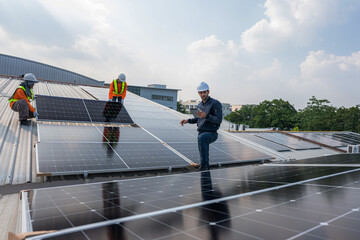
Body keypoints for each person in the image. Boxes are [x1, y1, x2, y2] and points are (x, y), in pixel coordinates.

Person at [180, 82, 222, 171]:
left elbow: (218, 120)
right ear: (198, 93)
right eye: (200, 92)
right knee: (201, 138)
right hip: (201, 132)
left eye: (204, 92)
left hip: (211, 133)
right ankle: (204, 165)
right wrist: (188, 121)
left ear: (208, 91)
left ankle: (204, 166)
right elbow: (198, 119)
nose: (202, 94)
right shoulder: (199, 105)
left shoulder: (215, 103)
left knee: (202, 138)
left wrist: (206, 116)